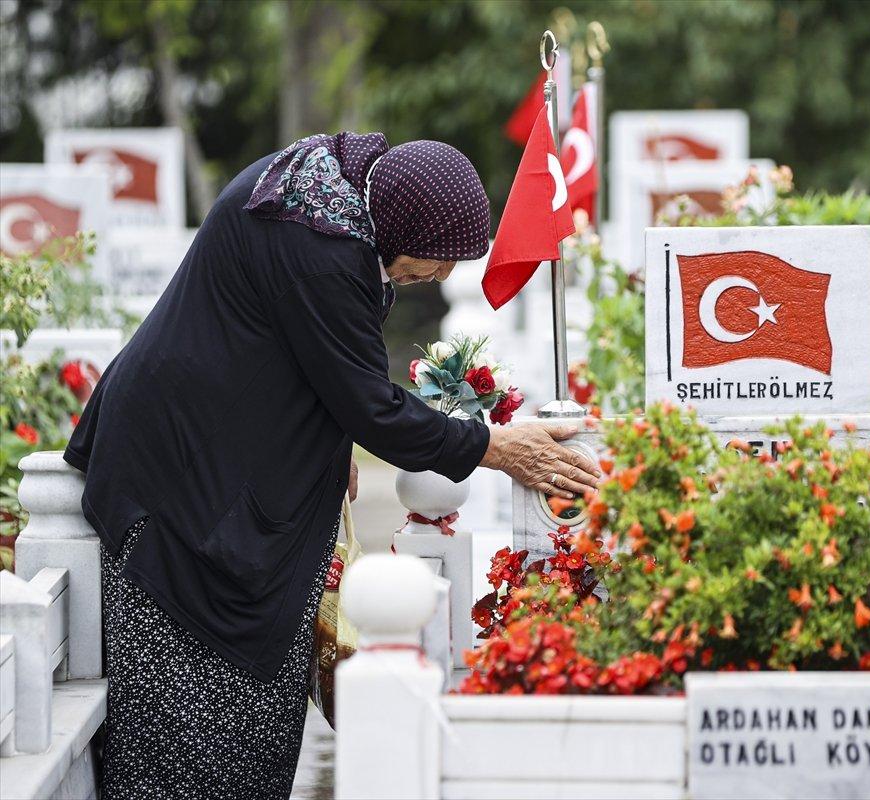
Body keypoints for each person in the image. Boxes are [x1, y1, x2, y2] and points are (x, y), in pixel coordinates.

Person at [65, 132, 599, 799]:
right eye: (438, 257)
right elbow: (373, 409)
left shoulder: (327, 194)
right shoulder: (323, 247)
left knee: (243, 726)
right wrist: (498, 448)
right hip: (179, 482)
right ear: (404, 224)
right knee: (194, 733)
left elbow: (299, 349)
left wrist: (331, 439)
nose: (442, 276)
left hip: (198, 453)